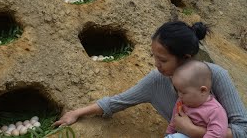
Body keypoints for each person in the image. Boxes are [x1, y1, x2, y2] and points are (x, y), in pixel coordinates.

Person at [53, 21, 247, 138]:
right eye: (154, 56)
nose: (156, 64)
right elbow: (118, 101)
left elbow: (242, 130)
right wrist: (77, 112)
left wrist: (194, 131)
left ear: (185, 58)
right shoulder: (157, 80)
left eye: (162, 59)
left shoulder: (216, 76)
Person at [165, 60, 228, 138]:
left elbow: (217, 134)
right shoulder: (182, 101)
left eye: (183, 92)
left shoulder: (215, 111)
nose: (179, 95)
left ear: (202, 91)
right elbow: (175, 120)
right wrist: (168, 133)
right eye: (178, 91)